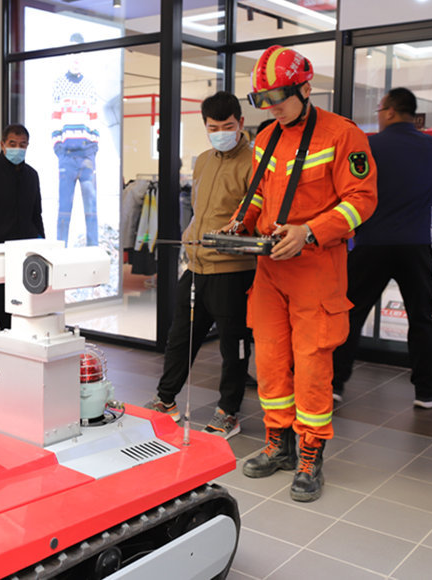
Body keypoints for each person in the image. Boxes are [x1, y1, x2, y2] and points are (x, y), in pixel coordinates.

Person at [234, 46, 377, 502]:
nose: (271, 106)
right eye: (261, 99)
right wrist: (239, 222)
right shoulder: (265, 138)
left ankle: (311, 453)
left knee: (313, 362)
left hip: (317, 268)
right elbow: (258, 196)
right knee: (271, 359)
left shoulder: (342, 135)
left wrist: (311, 231)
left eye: (278, 96)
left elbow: (362, 200)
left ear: (305, 88)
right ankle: (279, 443)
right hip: (269, 269)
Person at [332, 88, 432, 408]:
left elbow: (340, 184)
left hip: (370, 246)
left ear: (390, 111)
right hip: (415, 247)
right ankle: (426, 391)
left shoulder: (367, 145)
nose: (378, 115)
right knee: (421, 319)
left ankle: (333, 384)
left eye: (379, 109)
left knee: (349, 315)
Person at [142, 92, 256, 440]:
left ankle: (228, 411)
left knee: (232, 345)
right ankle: (165, 401)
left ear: (240, 123)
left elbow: (257, 217)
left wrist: (230, 236)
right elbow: (197, 209)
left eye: (228, 126)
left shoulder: (255, 162)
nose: (221, 132)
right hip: (195, 264)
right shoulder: (204, 160)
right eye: (213, 127)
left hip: (232, 270)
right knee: (180, 338)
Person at [0, 123, 45, 366]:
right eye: (12, 144)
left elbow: (37, 214)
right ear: (2, 144)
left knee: (25, 308)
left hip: (27, 254)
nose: (17, 149)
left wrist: (41, 246)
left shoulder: (32, 175)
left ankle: (18, 356)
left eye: (22, 145)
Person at [52, 33, 100, 247]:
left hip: (86, 154)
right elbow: (55, 119)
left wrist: (92, 149)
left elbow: (94, 119)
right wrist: (59, 149)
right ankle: (60, 249)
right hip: (67, 156)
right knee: (64, 208)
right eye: (72, 53)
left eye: (79, 53)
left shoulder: (90, 85)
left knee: (91, 207)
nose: (76, 58)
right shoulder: (59, 85)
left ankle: (93, 249)